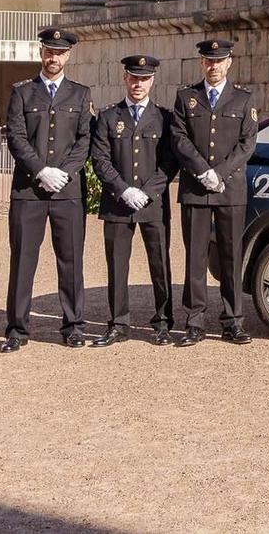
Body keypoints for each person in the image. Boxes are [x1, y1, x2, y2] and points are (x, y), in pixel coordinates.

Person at [2, 27, 93, 352]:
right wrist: (41, 170)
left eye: (60, 52)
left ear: (68, 56)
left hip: (67, 192)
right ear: (41, 52)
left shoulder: (80, 94)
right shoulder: (23, 92)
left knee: (71, 260)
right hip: (29, 190)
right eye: (49, 51)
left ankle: (73, 325)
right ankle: (17, 328)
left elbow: (84, 141)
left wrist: (63, 173)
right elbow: (16, 136)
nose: (54, 57)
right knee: (23, 259)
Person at [169, 36, 260, 346]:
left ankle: (233, 321)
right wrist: (202, 171)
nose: (214, 66)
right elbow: (179, 139)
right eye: (209, 61)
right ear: (201, 63)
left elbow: (247, 144)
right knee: (195, 257)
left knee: (231, 256)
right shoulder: (186, 97)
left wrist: (219, 173)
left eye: (219, 61)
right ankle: (194, 321)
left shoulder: (243, 99)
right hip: (196, 188)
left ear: (229, 63)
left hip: (229, 188)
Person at [90, 53, 175, 346]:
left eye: (144, 79)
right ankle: (118, 323)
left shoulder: (164, 118)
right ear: (125, 78)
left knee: (160, 264)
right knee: (117, 265)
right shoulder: (108, 116)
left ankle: (163, 322)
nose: (138, 84)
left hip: (152, 205)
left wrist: (148, 192)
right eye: (134, 78)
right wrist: (123, 189)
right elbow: (100, 158)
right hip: (118, 203)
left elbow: (169, 162)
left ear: (152, 81)